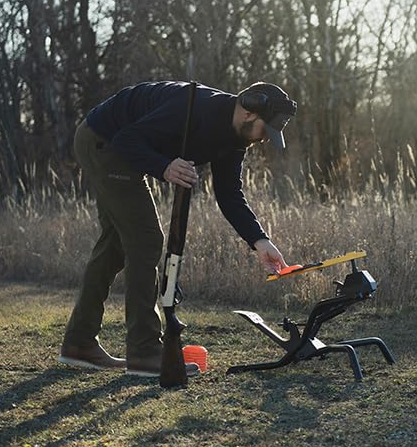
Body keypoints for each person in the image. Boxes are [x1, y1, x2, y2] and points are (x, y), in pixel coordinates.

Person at [58, 80, 297, 377]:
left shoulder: (236, 138)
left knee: (115, 245)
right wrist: (164, 167)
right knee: (146, 240)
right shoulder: (194, 108)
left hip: (115, 144)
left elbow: (229, 195)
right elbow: (126, 139)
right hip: (102, 139)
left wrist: (259, 240)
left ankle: (79, 344)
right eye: (265, 130)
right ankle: (144, 352)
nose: (263, 140)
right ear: (249, 112)